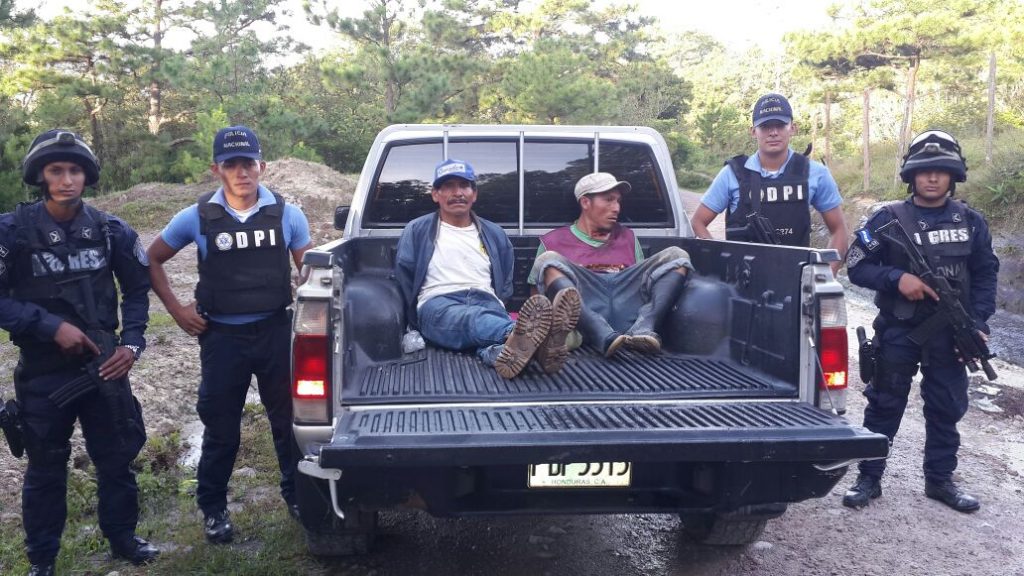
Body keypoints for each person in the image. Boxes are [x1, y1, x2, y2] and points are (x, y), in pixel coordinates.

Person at [0, 129, 158, 575]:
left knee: (116, 459)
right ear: (40, 176)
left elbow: (138, 289)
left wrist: (132, 344)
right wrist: (50, 326)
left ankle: (123, 539)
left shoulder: (110, 231)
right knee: (46, 468)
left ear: (86, 176)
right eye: (56, 171)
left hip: (104, 366)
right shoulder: (12, 232)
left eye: (74, 171)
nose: (66, 180)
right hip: (44, 372)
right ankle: (43, 559)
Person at [146, 125, 311, 543]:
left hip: (275, 333)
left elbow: (310, 272)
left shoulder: (288, 214)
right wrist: (177, 310)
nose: (241, 172)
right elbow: (152, 258)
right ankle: (214, 508)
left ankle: (298, 497)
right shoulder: (196, 216)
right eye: (231, 164)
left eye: (248, 163)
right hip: (222, 339)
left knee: (289, 423)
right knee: (221, 428)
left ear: (262, 166)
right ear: (216, 169)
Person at [841, 130, 999, 513]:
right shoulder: (886, 219)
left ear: (953, 176)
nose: (932, 177)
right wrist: (897, 279)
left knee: (946, 407)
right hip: (899, 329)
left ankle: (940, 481)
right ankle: (869, 478)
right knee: (884, 403)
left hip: (952, 334)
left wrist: (978, 323)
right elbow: (856, 264)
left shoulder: (971, 222)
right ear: (911, 175)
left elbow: (986, 275)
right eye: (925, 170)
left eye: (941, 171)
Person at [395, 158, 580, 379]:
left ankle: (506, 353)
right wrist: (412, 322)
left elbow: (505, 281)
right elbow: (404, 275)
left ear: (474, 194)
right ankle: (518, 333)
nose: (458, 193)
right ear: (435, 194)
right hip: (438, 305)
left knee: (484, 330)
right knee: (473, 320)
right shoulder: (417, 230)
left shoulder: (494, 233)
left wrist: (496, 303)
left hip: (487, 302)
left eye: (464, 186)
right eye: (449, 186)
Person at [529, 172, 693, 360]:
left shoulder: (628, 237)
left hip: (627, 305)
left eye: (618, 201)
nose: (616, 208)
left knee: (677, 255)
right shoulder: (553, 241)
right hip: (582, 323)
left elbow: (642, 284)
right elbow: (537, 299)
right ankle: (599, 331)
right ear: (585, 202)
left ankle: (643, 328)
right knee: (547, 260)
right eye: (608, 200)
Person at [690, 93, 849, 275]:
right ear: (753, 131)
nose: (773, 132)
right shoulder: (732, 174)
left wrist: (824, 277)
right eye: (765, 126)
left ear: (792, 128)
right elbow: (698, 222)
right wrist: (722, 263)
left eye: (780, 125)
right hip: (743, 281)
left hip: (796, 280)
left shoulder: (816, 173)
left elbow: (839, 230)